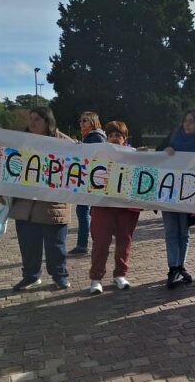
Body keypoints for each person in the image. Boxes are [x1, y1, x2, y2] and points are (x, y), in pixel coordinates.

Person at [9, 107, 73, 291]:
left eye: (37, 119)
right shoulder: (20, 143)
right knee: (28, 245)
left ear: (48, 121)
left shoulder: (64, 143)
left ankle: (60, 276)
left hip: (53, 205)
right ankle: (31, 276)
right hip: (25, 205)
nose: (32, 122)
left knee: (56, 246)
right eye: (31, 119)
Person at [157, 108, 195, 288]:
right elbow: (156, 155)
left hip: (190, 191)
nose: (187, 124)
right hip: (169, 190)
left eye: (192, 121)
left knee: (184, 233)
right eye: (185, 120)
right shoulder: (172, 137)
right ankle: (173, 268)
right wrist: (165, 150)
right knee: (171, 232)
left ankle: (181, 265)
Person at [88, 121, 141, 294]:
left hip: (126, 207)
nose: (114, 139)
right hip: (103, 205)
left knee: (124, 241)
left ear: (124, 139)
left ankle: (120, 274)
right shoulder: (98, 154)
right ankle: (96, 278)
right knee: (101, 242)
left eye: (118, 135)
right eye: (110, 135)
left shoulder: (134, 156)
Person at [70, 111, 107, 256]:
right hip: (88, 179)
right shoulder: (90, 137)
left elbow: (97, 157)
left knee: (83, 210)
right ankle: (91, 244)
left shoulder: (96, 137)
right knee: (88, 211)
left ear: (93, 122)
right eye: (80, 120)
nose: (81, 123)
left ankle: (83, 245)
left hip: (92, 180)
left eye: (85, 120)